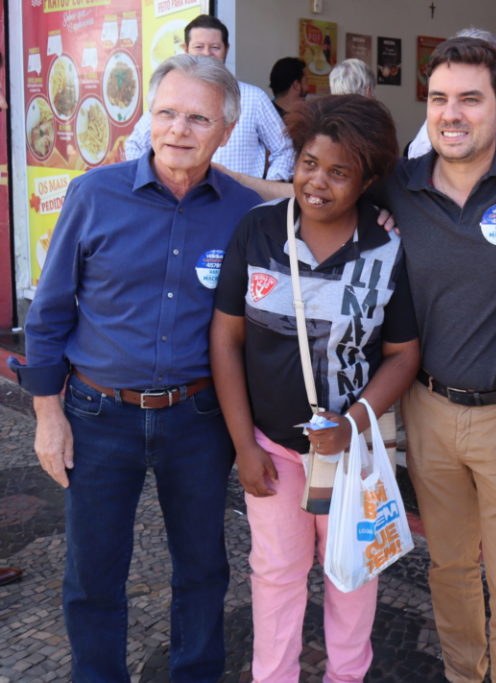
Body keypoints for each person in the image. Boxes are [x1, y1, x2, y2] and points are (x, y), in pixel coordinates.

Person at [8, 54, 262, 681]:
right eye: (167, 113)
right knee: (93, 572)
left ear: (225, 131)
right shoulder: (95, 194)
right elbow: (48, 313)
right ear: (149, 117)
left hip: (197, 418)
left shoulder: (244, 212)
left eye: (197, 118)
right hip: (96, 415)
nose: (178, 130)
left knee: (203, 567)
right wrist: (47, 416)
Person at [369, 36, 496, 683]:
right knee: (449, 566)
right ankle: (461, 672)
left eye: (470, 100)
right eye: (439, 98)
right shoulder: (400, 185)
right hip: (427, 409)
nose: (452, 113)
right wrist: (211, 175)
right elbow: (311, 193)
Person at [211, 95, 419, 683]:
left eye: (339, 171)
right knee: (275, 574)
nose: (317, 182)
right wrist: (244, 447)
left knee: (352, 573)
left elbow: (403, 355)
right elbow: (225, 341)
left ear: (369, 180)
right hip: (272, 450)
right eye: (308, 163)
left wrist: (353, 421)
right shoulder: (257, 231)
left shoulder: (386, 248)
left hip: (352, 456)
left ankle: (345, 676)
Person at [125, 14, 294, 181]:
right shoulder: (170, 95)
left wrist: (268, 188)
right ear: (186, 49)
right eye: (199, 47)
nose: (206, 53)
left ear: (226, 49)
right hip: (179, 202)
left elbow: (285, 149)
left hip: (239, 204)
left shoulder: (254, 98)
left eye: (215, 47)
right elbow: (136, 144)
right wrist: (150, 186)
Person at [405, 28, 496, 158]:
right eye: (439, 99)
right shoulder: (445, 111)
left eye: (470, 100)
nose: (450, 116)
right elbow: (416, 154)